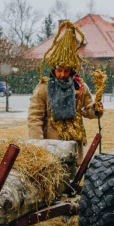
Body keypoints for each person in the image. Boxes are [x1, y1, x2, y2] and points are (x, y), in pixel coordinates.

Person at [28, 20, 104, 160]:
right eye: (59, 70)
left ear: (72, 70)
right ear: (54, 69)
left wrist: (95, 110)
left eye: (66, 71)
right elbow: (35, 118)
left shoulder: (80, 87)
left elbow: (87, 110)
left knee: (74, 177)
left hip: (74, 143)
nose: (62, 74)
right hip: (51, 147)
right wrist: (37, 145)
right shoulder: (43, 89)